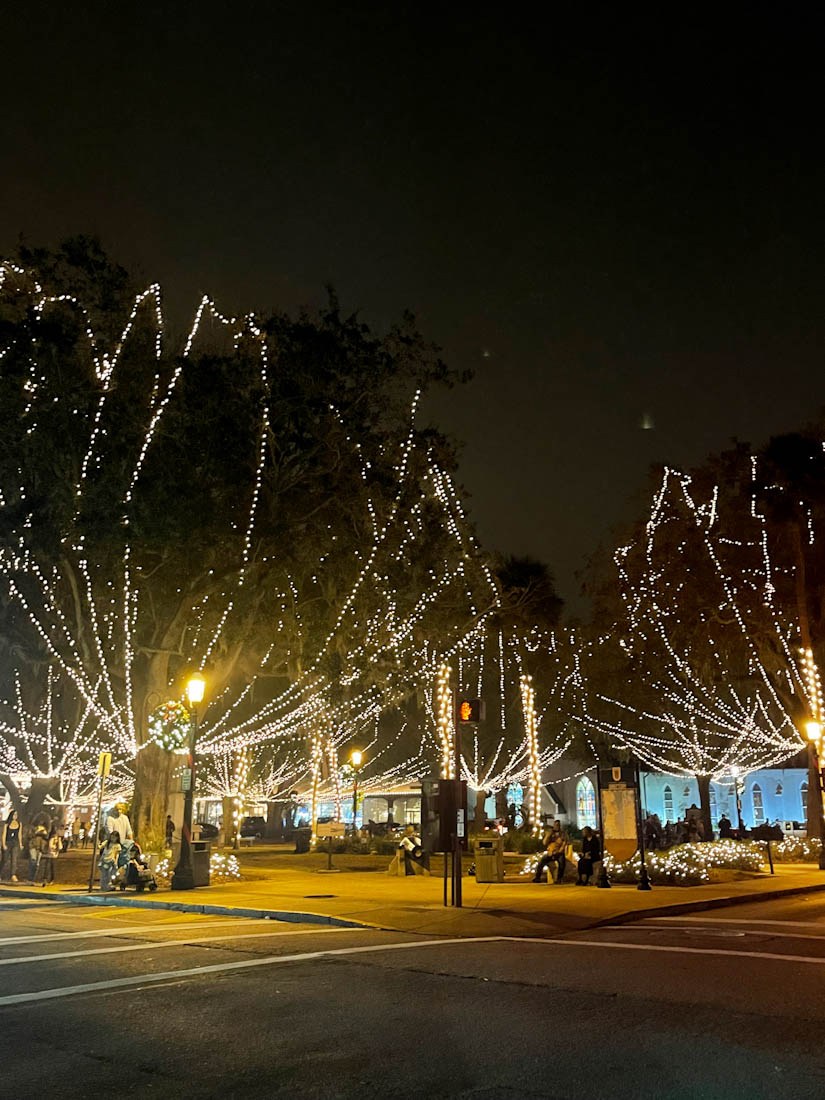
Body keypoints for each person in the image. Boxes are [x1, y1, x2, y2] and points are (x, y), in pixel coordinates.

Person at [1, 809, 21, 882]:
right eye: (14, 814)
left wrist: (20, 844)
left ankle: (13, 874)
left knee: (14, 859)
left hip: (15, 843)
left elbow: (19, 834)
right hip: (7, 842)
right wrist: (3, 844)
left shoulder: (19, 823)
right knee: (5, 859)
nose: (15, 816)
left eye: (16, 815)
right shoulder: (7, 824)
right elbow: (4, 834)